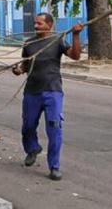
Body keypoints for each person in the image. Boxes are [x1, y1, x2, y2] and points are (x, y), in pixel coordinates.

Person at [12, 13, 83, 181]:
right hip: (32, 91)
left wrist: (75, 35)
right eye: (35, 23)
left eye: (40, 23)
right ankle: (32, 148)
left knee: (54, 128)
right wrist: (18, 70)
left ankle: (54, 166)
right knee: (28, 126)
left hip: (53, 91)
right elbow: (26, 64)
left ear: (49, 25)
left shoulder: (58, 40)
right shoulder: (29, 43)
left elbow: (75, 56)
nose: (36, 26)